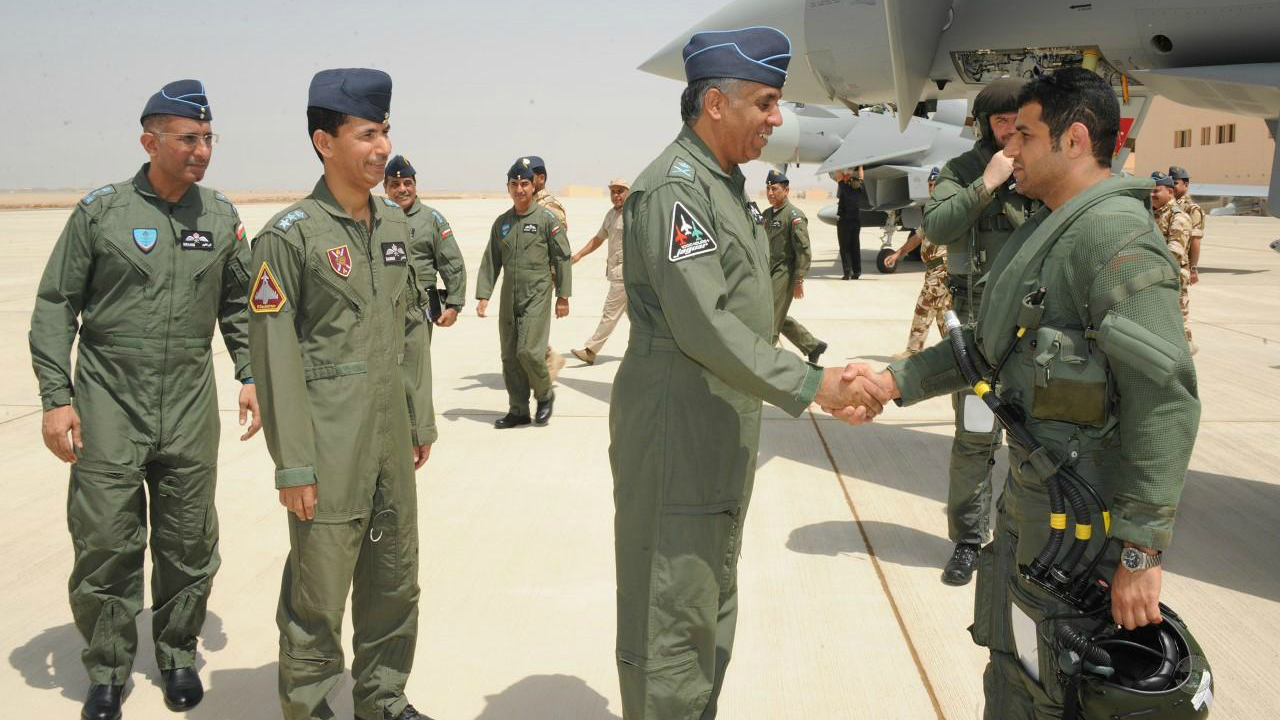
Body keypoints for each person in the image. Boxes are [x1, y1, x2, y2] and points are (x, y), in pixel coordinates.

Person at [873, 67, 1198, 719]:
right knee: (1019, 672)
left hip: (1084, 535)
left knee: (1059, 691)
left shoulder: (1115, 240)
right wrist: (891, 381)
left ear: (1073, 140)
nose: (1010, 147)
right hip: (1034, 514)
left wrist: (1140, 552)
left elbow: (1165, 399)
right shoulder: (1046, 230)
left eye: (1024, 134)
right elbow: (986, 350)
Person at [610, 26, 890, 719]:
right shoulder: (677, 191)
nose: (776, 118)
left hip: (717, 423)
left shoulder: (724, 188)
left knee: (708, 603)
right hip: (679, 431)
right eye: (764, 102)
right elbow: (705, 324)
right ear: (716, 104)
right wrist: (815, 383)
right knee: (673, 614)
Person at [28, 79, 259, 720]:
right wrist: (56, 396)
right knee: (106, 538)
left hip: (188, 402)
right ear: (149, 142)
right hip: (109, 399)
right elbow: (56, 305)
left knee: (189, 538)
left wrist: (250, 374)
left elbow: (241, 306)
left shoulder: (219, 217)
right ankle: (106, 668)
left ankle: (178, 654)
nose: (201, 150)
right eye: (188, 138)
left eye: (208, 138)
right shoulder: (100, 213)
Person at [247, 68, 436, 720]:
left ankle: (382, 698)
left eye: (385, 132)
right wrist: (294, 464)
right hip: (327, 449)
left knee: (394, 580)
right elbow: (274, 358)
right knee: (317, 594)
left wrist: (419, 419)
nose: (383, 148)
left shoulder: (394, 227)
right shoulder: (289, 237)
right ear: (324, 142)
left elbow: (410, 326)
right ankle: (305, 706)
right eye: (367, 134)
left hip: (390, 439)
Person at [923, 77, 1037, 586]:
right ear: (986, 125)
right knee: (974, 440)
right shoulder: (964, 170)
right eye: (1000, 120)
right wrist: (987, 183)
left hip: (1035, 332)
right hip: (979, 336)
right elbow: (937, 226)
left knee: (1039, 443)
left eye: (1018, 120)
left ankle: (1031, 543)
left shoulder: (1047, 167)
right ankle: (969, 541)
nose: (1010, 129)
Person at [475, 158, 573, 427]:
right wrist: (484, 295)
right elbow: (491, 259)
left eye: (524, 184)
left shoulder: (546, 219)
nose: (519, 189)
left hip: (537, 293)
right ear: (508, 187)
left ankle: (544, 394)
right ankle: (518, 410)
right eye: (514, 184)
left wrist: (563, 296)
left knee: (529, 351)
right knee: (509, 356)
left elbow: (562, 257)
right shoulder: (502, 223)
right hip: (509, 295)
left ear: (533, 186)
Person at [383, 155, 467, 330]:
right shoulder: (375, 219)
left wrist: (454, 305)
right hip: (383, 310)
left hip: (419, 310)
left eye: (407, 183)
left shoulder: (431, 220)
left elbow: (451, 263)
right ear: (385, 187)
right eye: (395, 184)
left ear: (415, 185)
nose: (402, 189)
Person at [764, 169, 827, 362]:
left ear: (786, 190)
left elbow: (803, 250)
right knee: (776, 312)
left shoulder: (794, 216)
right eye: (768, 189)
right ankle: (812, 345)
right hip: (768, 271)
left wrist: (799, 279)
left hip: (785, 272)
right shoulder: (766, 215)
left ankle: (766, 357)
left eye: (775, 189)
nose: (770, 193)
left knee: (770, 316)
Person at [887, 168, 951, 357]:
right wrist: (899, 253)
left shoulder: (948, 208)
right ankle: (957, 351)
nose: (931, 188)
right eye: (929, 185)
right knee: (944, 314)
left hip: (941, 269)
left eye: (934, 184)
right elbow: (917, 237)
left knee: (923, 308)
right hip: (933, 270)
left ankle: (913, 351)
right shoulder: (933, 209)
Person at [571, 178, 630, 364]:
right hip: (615, 271)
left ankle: (591, 350)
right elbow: (598, 239)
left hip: (625, 273)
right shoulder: (611, 215)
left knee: (610, 313)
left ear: (628, 192)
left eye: (620, 191)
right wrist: (579, 255)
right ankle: (651, 350)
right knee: (637, 317)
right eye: (613, 191)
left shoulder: (633, 213)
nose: (616, 195)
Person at [529, 155, 570, 380]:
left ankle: (548, 359)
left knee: (530, 325)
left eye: (529, 177)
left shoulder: (550, 207)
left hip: (542, 276)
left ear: (541, 178)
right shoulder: (528, 204)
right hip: (527, 276)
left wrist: (560, 288)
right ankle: (547, 358)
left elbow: (560, 250)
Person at [1151, 171, 1196, 353]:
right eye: (1150, 191)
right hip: (1155, 277)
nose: (1152, 194)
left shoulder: (1178, 217)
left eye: (1156, 190)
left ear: (1170, 192)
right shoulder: (1152, 214)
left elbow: (1174, 255)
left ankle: (1185, 356)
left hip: (1172, 278)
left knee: (1177, 323)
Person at [1168, 165, 1204, 287]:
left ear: (1186, 185)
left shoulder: (1192, 209)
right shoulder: (1166, 205)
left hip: (1181, 266)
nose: (1172, 186)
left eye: (1175, 183)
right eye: (1170, 183)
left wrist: (1193, 268)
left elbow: (1195, 240)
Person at [834, 168, 864, 279]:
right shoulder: (859, 190)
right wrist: (860, 166)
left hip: (845, 222)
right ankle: (857, 272)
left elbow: (838, 176)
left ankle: (847, 273)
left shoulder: (845, 189)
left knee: (844, 247)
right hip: (856, 222)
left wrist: (836, 165)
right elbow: (861, 177)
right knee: (855, 246)